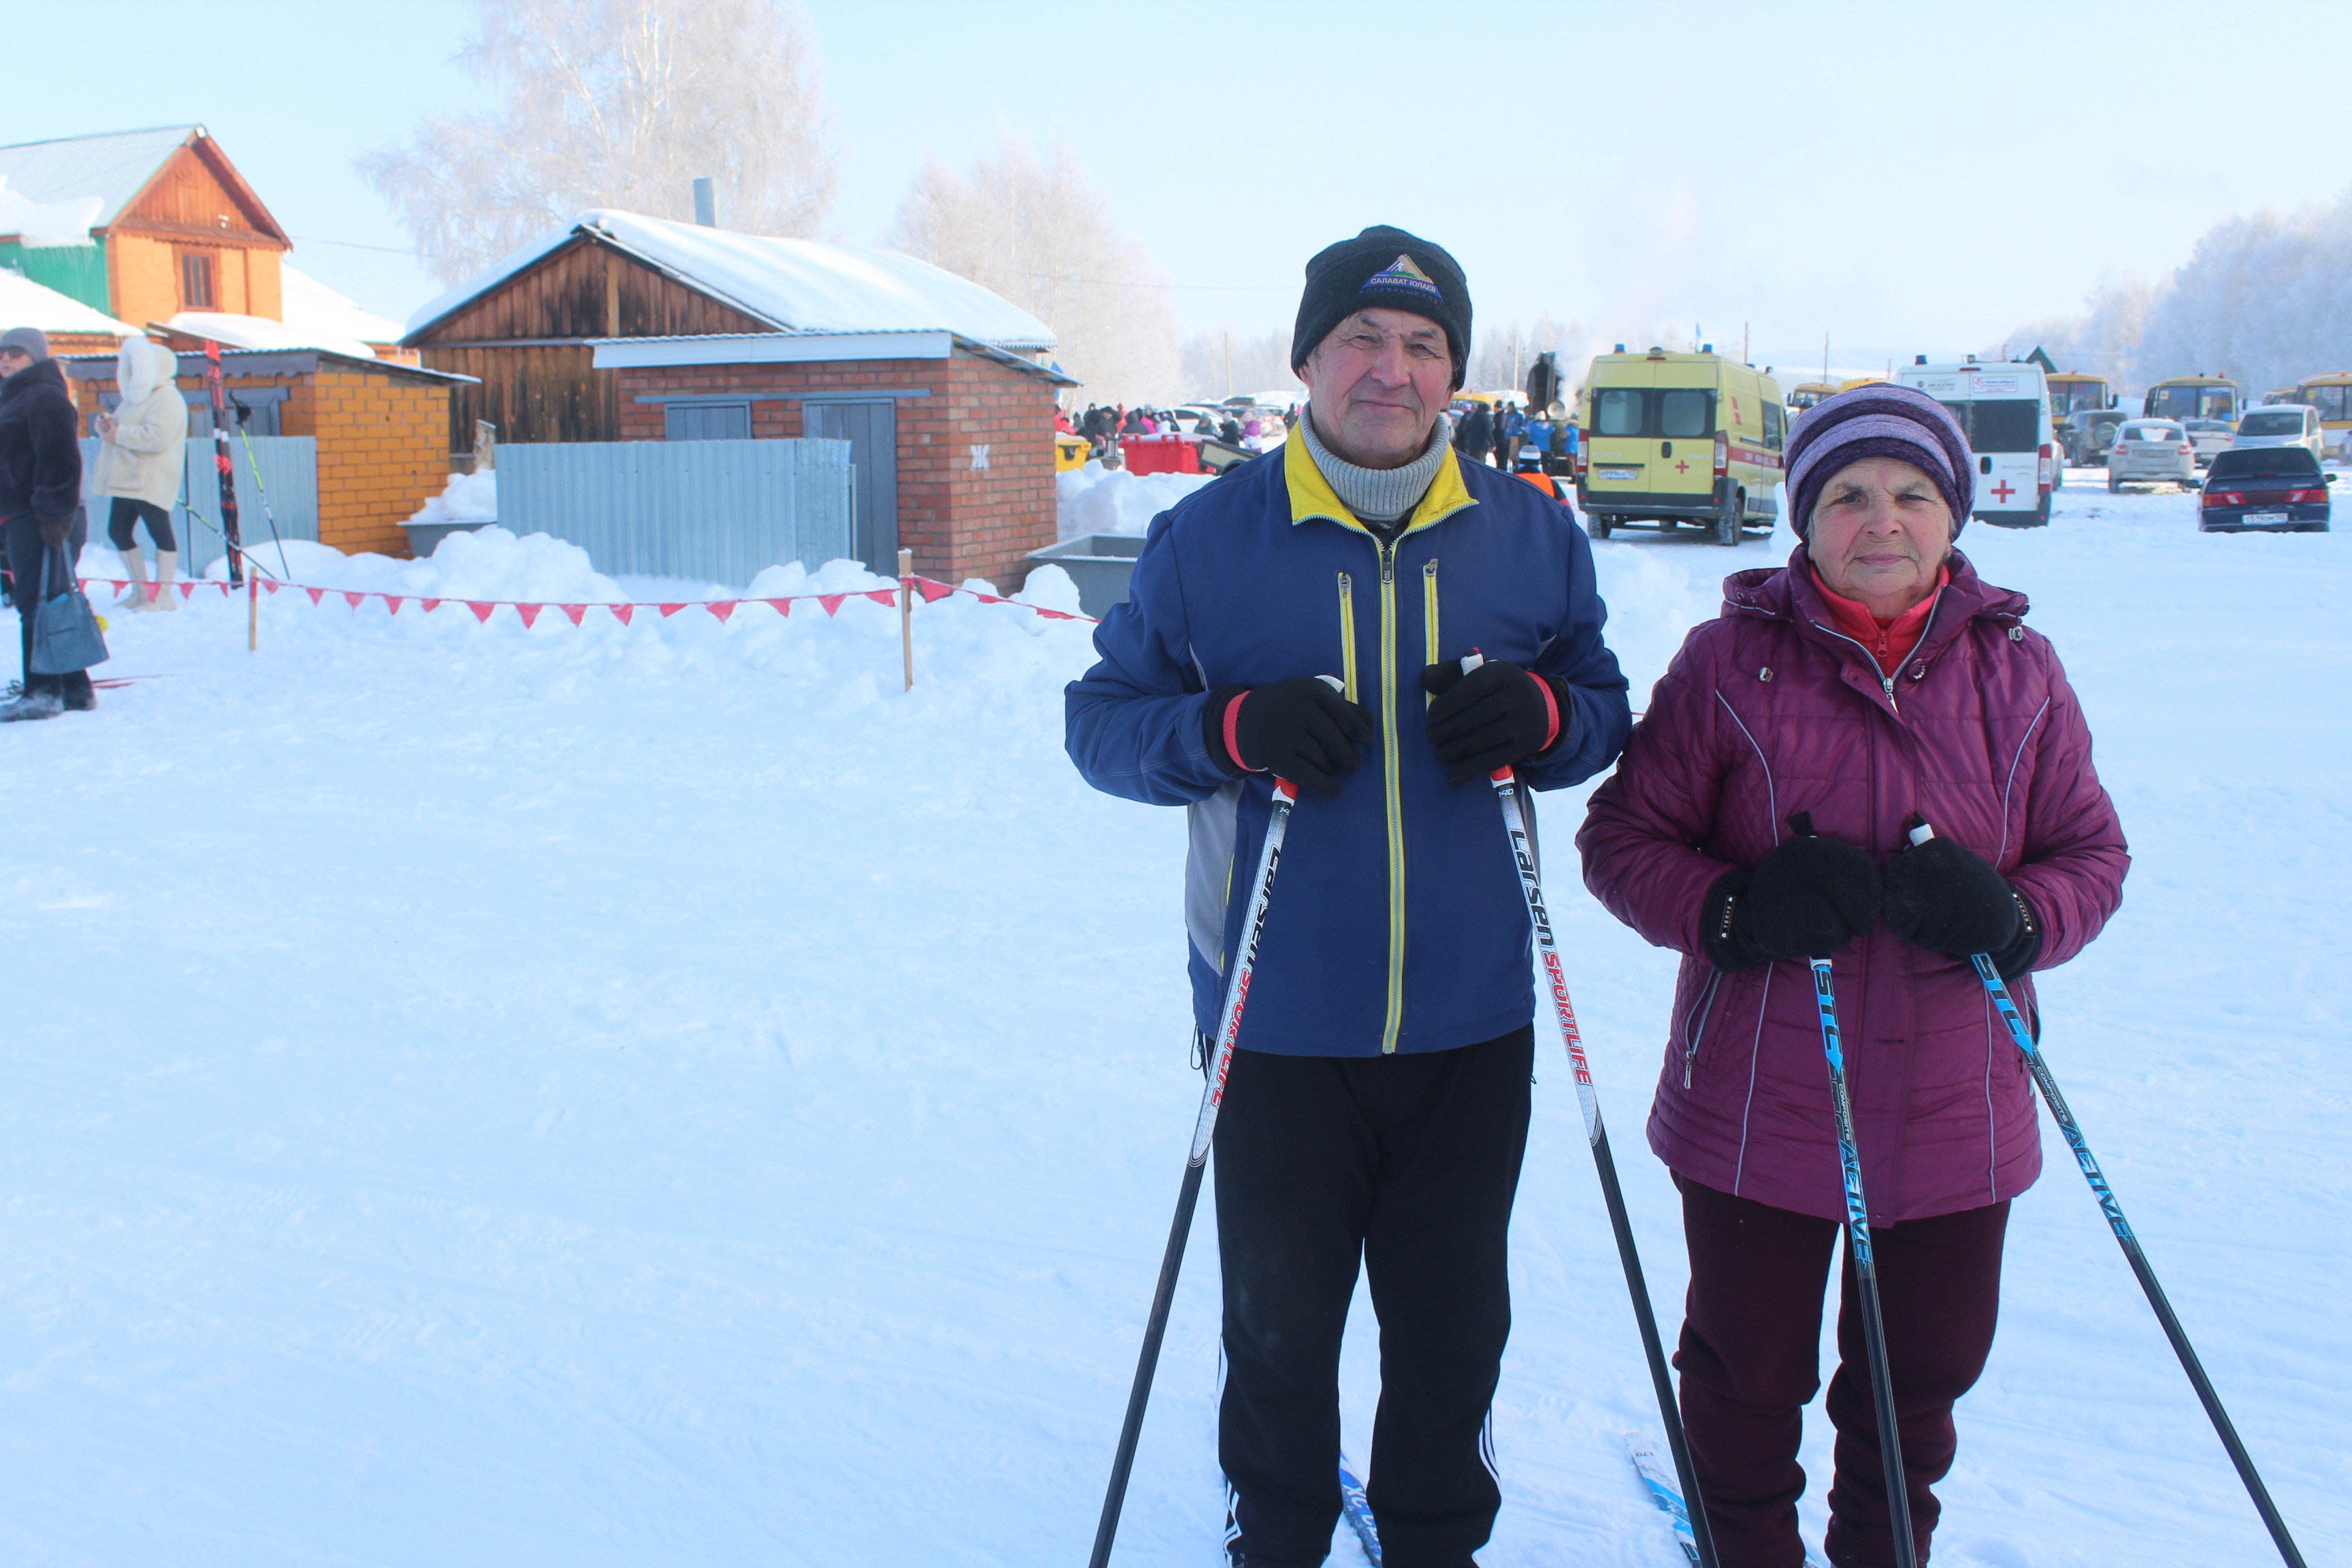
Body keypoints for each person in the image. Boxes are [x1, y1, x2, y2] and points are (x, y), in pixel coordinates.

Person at [1067, 225, 1633, 1568]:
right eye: (1363, 341)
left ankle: (1436, 1540)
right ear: (1308, 360)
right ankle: (1279, 1535)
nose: (1392, 368)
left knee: (1452, 1324)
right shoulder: (1210, 539)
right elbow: (1103, 727)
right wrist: (1229, 732)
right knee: (1277, 1321)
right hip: (1273, 1013)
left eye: (1425, 346)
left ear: (1456, 376)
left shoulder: (1531, 539)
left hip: (1474, 1014)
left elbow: (1605, 713)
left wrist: (1546, 714)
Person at [1575, 383, 2129, 1567]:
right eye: (1847, 494)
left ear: (1952, 513)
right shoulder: (1729, 662)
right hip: (1756, 1102)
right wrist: (1733, 905)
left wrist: (2019, 915)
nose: (1880, 519)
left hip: (1954, 1110)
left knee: (1911, 1388)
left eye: (1910, 493)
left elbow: (2093, 851)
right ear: (1804, 516)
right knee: (1743, 1374)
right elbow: (1622, 842)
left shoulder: (2020, 673)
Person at [0, 327, 96, 720]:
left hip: (40, 514)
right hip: (20, 512)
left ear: (36, 358)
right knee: (50, 598)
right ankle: (76, 689)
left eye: (16, 353)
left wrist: (54, 515)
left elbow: (61, 461)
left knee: (35, 602)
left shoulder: (43, 396)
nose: (6, 359)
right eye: (3, 352)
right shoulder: (17, 396)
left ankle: (42, 691)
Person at [91, 333, 188, 612]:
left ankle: (163, 596)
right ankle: (141, 592)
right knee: (118, 531)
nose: (133, 372)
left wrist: (119, 434)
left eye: (139, 367)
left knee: (160, 533)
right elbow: (121, 431)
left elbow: (158, 437)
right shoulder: (134, 399)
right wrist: (108, 426)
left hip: (150, 479)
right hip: (126, 479)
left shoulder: (168, 398)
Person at [1452, 397, 1492, 466]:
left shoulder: (1466, 417)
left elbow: (1462, 430)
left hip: (1466, 442)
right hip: (1474, 442)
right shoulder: (1474, 416)